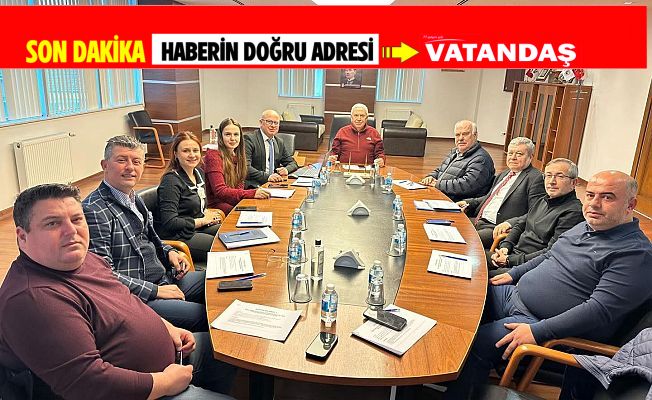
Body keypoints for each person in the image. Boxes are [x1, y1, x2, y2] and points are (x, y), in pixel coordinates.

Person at [0, 183, 236, 400]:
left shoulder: (83, 258)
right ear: (22, 236)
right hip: (144, 391)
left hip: (171, 360)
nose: (71, 231)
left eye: (77, 219)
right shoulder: (33, 299)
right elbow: (87, 383)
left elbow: (127, 300)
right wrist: (164, 383)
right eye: (53, 223)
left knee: (235, 350)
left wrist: (167, 327)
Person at [444, 170, 652, 399]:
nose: (594, 204)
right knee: (461, 296)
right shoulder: (587, 226)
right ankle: (435, 375)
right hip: (514, 295)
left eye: (607, 197)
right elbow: (549, 255)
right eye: (590, 195)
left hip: (542, 324)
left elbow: (599, 311)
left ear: (630, 205)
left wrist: (538, 331)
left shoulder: (635, 254)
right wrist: (513, 273)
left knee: (474, 344)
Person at [83, 135, 207, 332]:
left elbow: (151, 239)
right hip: (138, 298)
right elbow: (103, 275)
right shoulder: (94, 211)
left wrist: (169, 252)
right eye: (122, 160)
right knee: (207, 316)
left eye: (136, 161)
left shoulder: (133, 198)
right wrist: (156, 291)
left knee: (219, 281)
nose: (130, 167)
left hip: (164, 277)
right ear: (104, 165)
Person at [488, 158, 584, 275]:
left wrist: (509, 260)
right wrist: (506, 246)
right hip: (512, 256)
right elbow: (520, 225)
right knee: (474, 259)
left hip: (530, 268)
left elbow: (551, 252)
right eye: (548, 175)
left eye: (560, 176)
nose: (551, 181)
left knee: (479, 276)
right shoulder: (544, 199)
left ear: (574, 182)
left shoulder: (573, 212)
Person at [457, 137, 545, 248]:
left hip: (495, 227)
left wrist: (510, 223)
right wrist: (468, 203)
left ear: (530, 157)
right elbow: (490, 198)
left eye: (519, 154)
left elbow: (536, 213)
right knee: (446, 228)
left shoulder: (535, 178)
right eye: (510, 153)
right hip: (477, 220)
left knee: (461, 240)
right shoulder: (505, 174)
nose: (513, 157)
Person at [157, 131, 222, 265]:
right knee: (221, 246)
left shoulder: (198, 173)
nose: (192, 155)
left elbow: (198, 204)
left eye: (195, 150)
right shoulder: (170, 181)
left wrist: (207, 213)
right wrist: (202, 221)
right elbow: (170, 222)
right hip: (179, 235)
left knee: (229, 234)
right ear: (176, 154)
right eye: (186, 151)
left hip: (196, 227)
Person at [205, 118, 270, 215]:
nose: (232, 138)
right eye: (228, 134)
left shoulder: (238, 155)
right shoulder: (213, 156)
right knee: (250, 214)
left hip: (231, 202)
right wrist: (252, 193)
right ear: (221, 136)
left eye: (236, 134)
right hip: (216, 206)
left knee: (263, 208)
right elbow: (220, 191)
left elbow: (239, 188)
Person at [419, 120, 495, 201]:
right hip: (439, 194)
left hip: (455, 203)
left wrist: (438, 184)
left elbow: (468, 185)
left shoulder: (481, 159)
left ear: (475, 135)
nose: (461, 138)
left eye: (465, 134)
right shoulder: (455, 152)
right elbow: (440, 170)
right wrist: (430, 177)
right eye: (457, 135)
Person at [244, 109, 299, 188]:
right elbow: (246, 167)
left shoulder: (279, 142)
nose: (273, 125)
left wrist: (286, 169)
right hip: (255, 185)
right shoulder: (249, 139)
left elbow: (292, 163)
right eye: (269, 122)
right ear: (261, 122)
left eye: (276, 123)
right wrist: (267, 177)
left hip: (274, 184)